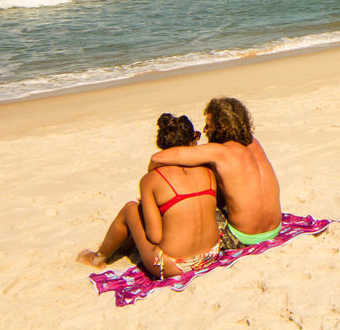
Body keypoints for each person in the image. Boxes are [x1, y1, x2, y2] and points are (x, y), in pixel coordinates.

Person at [77, 114, 221, 278]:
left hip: (173, 265)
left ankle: (98, 258)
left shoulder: (151, 179)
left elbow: (155, 236)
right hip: (211, 254)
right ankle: (122, 247)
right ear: (191, 140)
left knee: (131, 209)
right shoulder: (208, 170)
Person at [150, 96, 282, 248]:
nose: (205, 130)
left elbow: (158, 158)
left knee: (194, 199)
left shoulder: (220, 152)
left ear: (221, 127)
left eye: (208, 126)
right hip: (274, 230)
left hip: (243, 238)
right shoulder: (253, 142)